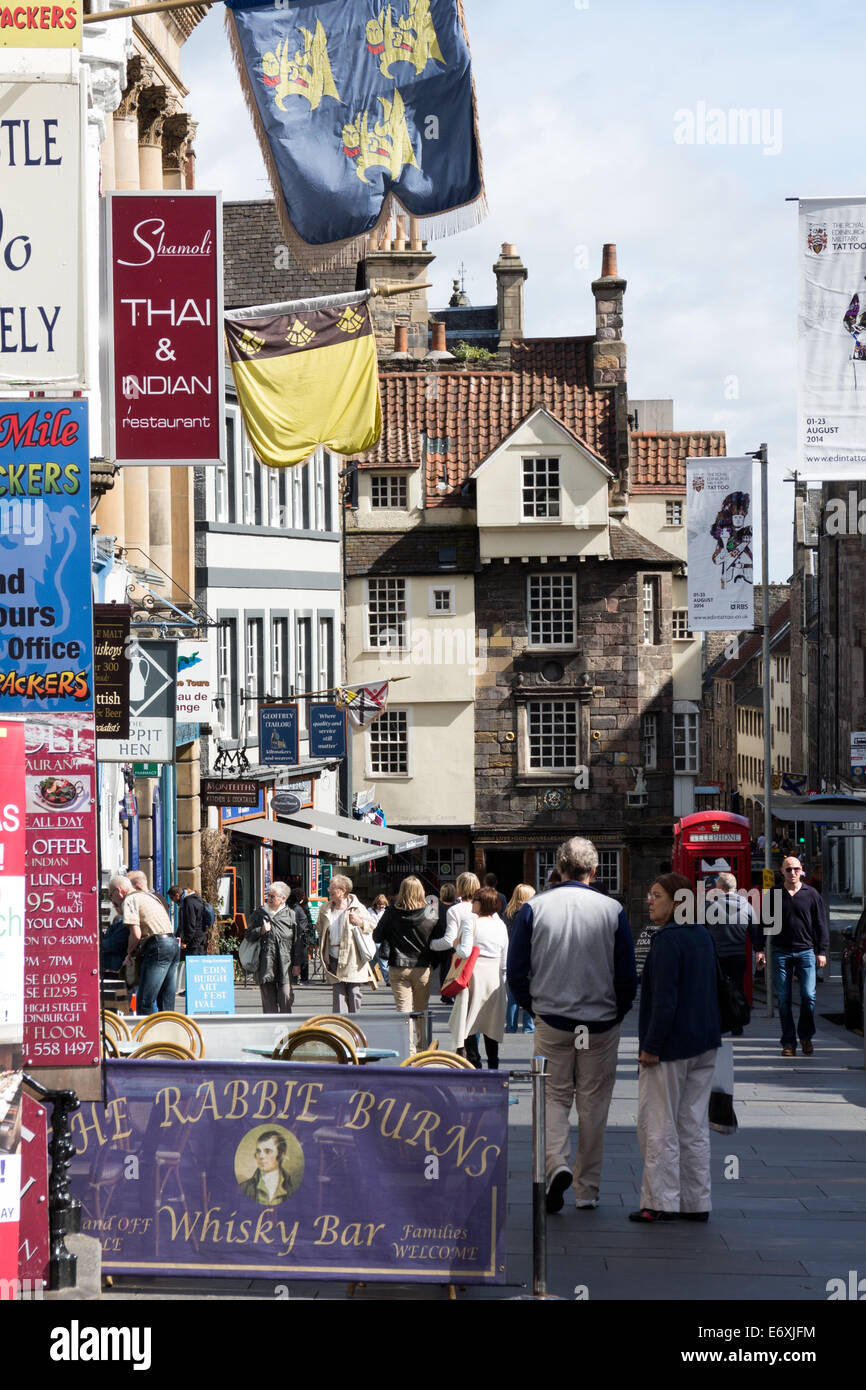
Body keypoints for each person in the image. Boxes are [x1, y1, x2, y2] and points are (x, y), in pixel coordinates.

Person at [507, 837, 637, 1213]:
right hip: (599, 1022)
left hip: (553, 1020)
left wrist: (535, 1009)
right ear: (594, 872)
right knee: (594, 1104)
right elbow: (627, 974)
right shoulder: (613, 910)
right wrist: (618, 1011)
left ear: (558, 868)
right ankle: (587, 1190)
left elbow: (516, 971)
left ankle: (556, 1164)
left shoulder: (534, 908)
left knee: (553, 1097)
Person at [631, 872, 722, 1223]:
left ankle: (660, 1202)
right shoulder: (701, 934)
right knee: (694, 1125)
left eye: (656, 895)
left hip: (670, 1048)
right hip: (705, 1042)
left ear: (676, 901)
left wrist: (651, 1047)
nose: (649, 900)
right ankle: (697, 1202)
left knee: (659, 1125)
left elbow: (665, 1001)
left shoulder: (667, 941)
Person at [755, 856, 829, 1056]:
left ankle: (805, 1036)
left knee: (808, 996)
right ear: (782, 871)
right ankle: (788, 1042)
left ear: (802, 870)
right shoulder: (774, 894)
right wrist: (759, 949)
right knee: (784, 998)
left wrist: (821, 951)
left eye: (796, 869)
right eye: (788, 869)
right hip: (780, 951)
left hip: (806, 951)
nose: (793, 872)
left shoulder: (811, 894)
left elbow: (821, 924)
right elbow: (763, 923)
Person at [373, 877, 439, 1052]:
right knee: (421, 1011)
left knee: (404, 1012)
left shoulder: (391, 912)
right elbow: (438, 939)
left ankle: (408, 1051)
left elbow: (377, 937)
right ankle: (422, 1050)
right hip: (422, 966)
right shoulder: (430, 912)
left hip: (398, 966)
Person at [450, 887, 508, 1068]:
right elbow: (505, 959)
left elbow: (465, 951)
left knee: (468, 1022)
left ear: (480, 903)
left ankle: (474, 1063)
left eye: (474, 900)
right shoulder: (500, 925)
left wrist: (455, 945)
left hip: (474, 975)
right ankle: (493, 1064)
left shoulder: (471, 922)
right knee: (491, 1023)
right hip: (495, 976)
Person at [110, 873, 179, 1016]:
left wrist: (129, 953)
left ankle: (147, 1036)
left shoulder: (130, 899)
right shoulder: (149, 897)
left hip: (158, 946)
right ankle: (168, 1033)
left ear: (118, 891)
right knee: (166, 1001)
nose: (112, 901)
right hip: (172, 944)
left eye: (111, 895)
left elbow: (135, 933)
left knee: (145, 1002)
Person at [705, 872, 762, 1035]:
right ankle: (737, 1024)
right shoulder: (747, 905)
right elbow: (755, 930)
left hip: (716, 955)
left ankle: (717, 1023)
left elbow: (702, 929)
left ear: (720, 887)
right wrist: (759, 950)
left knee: (715, 989)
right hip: (738, 954)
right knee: (736, 988)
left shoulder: (710, 906)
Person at [317, 874, 375, 1014]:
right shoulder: (325, 908)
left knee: (354, 992)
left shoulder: (357, 908)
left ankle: (355, 1025)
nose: (329, 890)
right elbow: (319, 928)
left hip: (352, 956)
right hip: (332, 955)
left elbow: (371, 926)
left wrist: (359, 922)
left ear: (343, 890)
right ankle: (341, 1027)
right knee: (338, 993)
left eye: (332, 888)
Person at [245, 881, 305, 1014]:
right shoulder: (259, 913)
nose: (269, 899)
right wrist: (260, 930)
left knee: (285, 997)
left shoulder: (291, 915)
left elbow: (298, 941)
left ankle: (286, 1031)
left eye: (273, 896)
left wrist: (297, 964)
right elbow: (248, 935)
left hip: (285, 964)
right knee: (268, 1003)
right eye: (268, 896)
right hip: (265, 963)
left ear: (283, 898)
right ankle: (270, 1031)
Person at [428, 872, 480, 974]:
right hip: (479, 961)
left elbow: (449, 941)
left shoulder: (454, 910)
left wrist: (431, 944)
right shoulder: (484, 908)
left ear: (459, 887)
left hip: (458, 962)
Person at [504, 884, 536, 1033]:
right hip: (528, 955)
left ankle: (511, 1025)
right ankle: (529, 1026)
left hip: (511, 954)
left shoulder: (508, 913)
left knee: (512, 995)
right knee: (530, 991)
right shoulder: (530, 914)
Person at [238, 1130, 301, 1205]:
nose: (261, 1156)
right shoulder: (244, 1188)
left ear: (281, 1155)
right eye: (258, 1151)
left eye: (267, 1151)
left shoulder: (293, 1187)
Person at [168, 884, 209, 957]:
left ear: (177, 895)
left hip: (195, 942)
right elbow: (183, 924)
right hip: (199, 939)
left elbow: (190, 924)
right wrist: (177, 936)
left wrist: (185, 942)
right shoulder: (193, 899)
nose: (172, 901)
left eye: (172, 898)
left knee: (193, 965)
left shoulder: (188, 903)